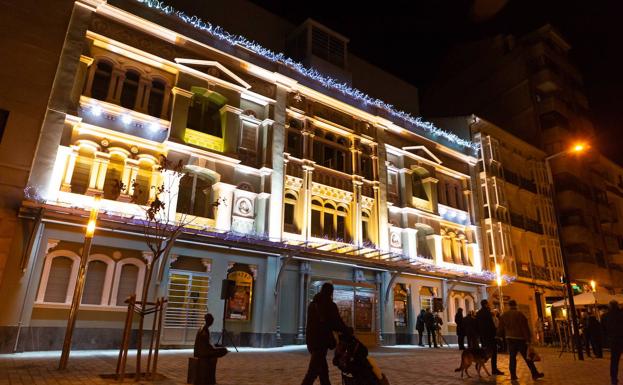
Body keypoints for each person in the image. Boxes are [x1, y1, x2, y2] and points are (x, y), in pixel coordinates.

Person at [301, 282, 349, 385]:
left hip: (311, 341)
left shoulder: (312, 304)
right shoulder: (329, 305)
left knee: (322, 370)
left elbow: (310, 324)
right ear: (331, 292)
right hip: (321, 342)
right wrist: (347, 330)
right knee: (312, 372)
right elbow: (337, 323)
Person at [498, 300, 544, 381]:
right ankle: (534, 373)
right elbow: (524, 327)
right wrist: (528, 339)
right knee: (527, 357)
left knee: (512, 357)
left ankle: (513, 375)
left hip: (509, 338)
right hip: (520, 338)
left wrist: (499, 336)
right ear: (516, 305)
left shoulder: (504, 315)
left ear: (509, 306)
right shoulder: (520, 314)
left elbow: (500, 328)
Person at [193, 313, 228, 385]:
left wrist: (213, 347)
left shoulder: (203, 328)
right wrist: (214, 349)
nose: (212, 322)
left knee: (219, 351)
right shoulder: (204, 330)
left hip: (201, 351)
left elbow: (206, 344)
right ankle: (210, 380)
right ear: (210, 321)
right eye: (212, 321)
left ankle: (211, 379)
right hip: (202, 352)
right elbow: (205, 346)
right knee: (223, 351)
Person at [476, 299, 503, 375]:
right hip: (490, 336)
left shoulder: (478, 313)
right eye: (488, 304)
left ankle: (478, 365)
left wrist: (479, 335)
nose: (489, 305)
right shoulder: (488, 313)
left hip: (483, 337)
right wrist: (496, 335)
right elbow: (491, 325)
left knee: (485, 352)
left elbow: (477, 326)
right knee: (493, 353)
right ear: (486, 304)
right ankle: (494, 369)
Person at [603, 300, 623, 385]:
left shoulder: (605, 316)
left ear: (609, 306)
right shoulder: (622, 314)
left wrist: (607, 340)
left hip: (613, 341)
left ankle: (614, 379)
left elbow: (603, 330)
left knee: (614, 361)